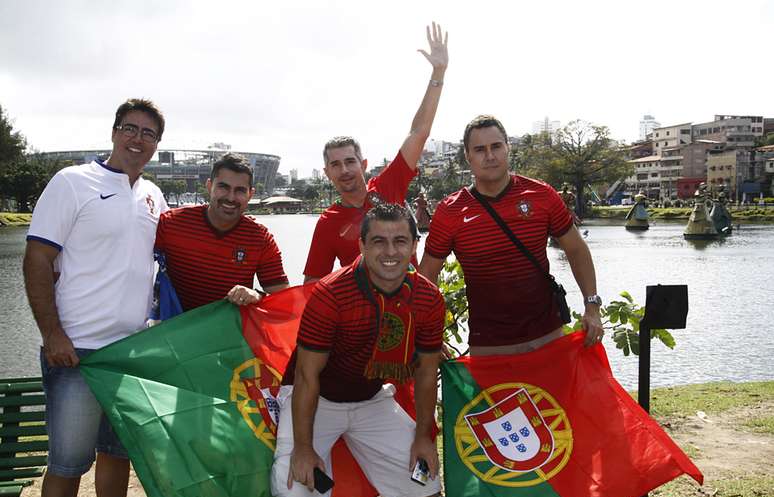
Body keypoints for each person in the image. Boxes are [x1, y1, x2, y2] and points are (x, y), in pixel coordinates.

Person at [23, 98, 168, 497]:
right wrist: (52, 333)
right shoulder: (72, 182)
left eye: (148, 133)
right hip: (76, 352)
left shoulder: (154, 196)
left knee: (117, 457)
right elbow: (37, 259)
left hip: (130, 354)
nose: (137, 139)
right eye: (130, 128)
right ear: (113, 132)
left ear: (157, 143)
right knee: (67, 465)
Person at [272, 204, 444, 497]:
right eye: (378, 241)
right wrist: (303, 447)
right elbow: (307, 375)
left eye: (400, 241)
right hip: (316, 398)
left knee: (425, 482)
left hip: (371, 398)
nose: (390, 251)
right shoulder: (331, 294)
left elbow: (427, 374)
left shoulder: (428, 298)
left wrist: (423, 436)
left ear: (415, 245)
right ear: (362, 245)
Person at [419, 115, 604, 356]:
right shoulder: (450, 211)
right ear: (468, 156)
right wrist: (427, 332)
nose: (490, 156)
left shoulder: (541, 195)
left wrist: (592, 306)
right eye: (480, 149)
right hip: (488, 346)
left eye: (496, 146)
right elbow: (427, 275)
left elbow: (576, 249)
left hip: (547, 336)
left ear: (508, 148)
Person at [303, 22, 449, 283]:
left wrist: (438, 73)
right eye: (335, 165)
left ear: (364, 164)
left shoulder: (388, 187)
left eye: (350, 161)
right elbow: (313, 285)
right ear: (327, 173)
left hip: (412, 310)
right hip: (362, 318)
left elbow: (418, 133)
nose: (345, 170)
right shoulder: (327, 224)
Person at [154, 152, 288, 311]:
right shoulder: (170, 224)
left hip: (230, 332)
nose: (231, 198)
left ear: (250, 194)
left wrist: (257, 296)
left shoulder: (260, 239)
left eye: (239, 190)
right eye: (223, 187)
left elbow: (284, 299)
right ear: (209, 186)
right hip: (174, 330)